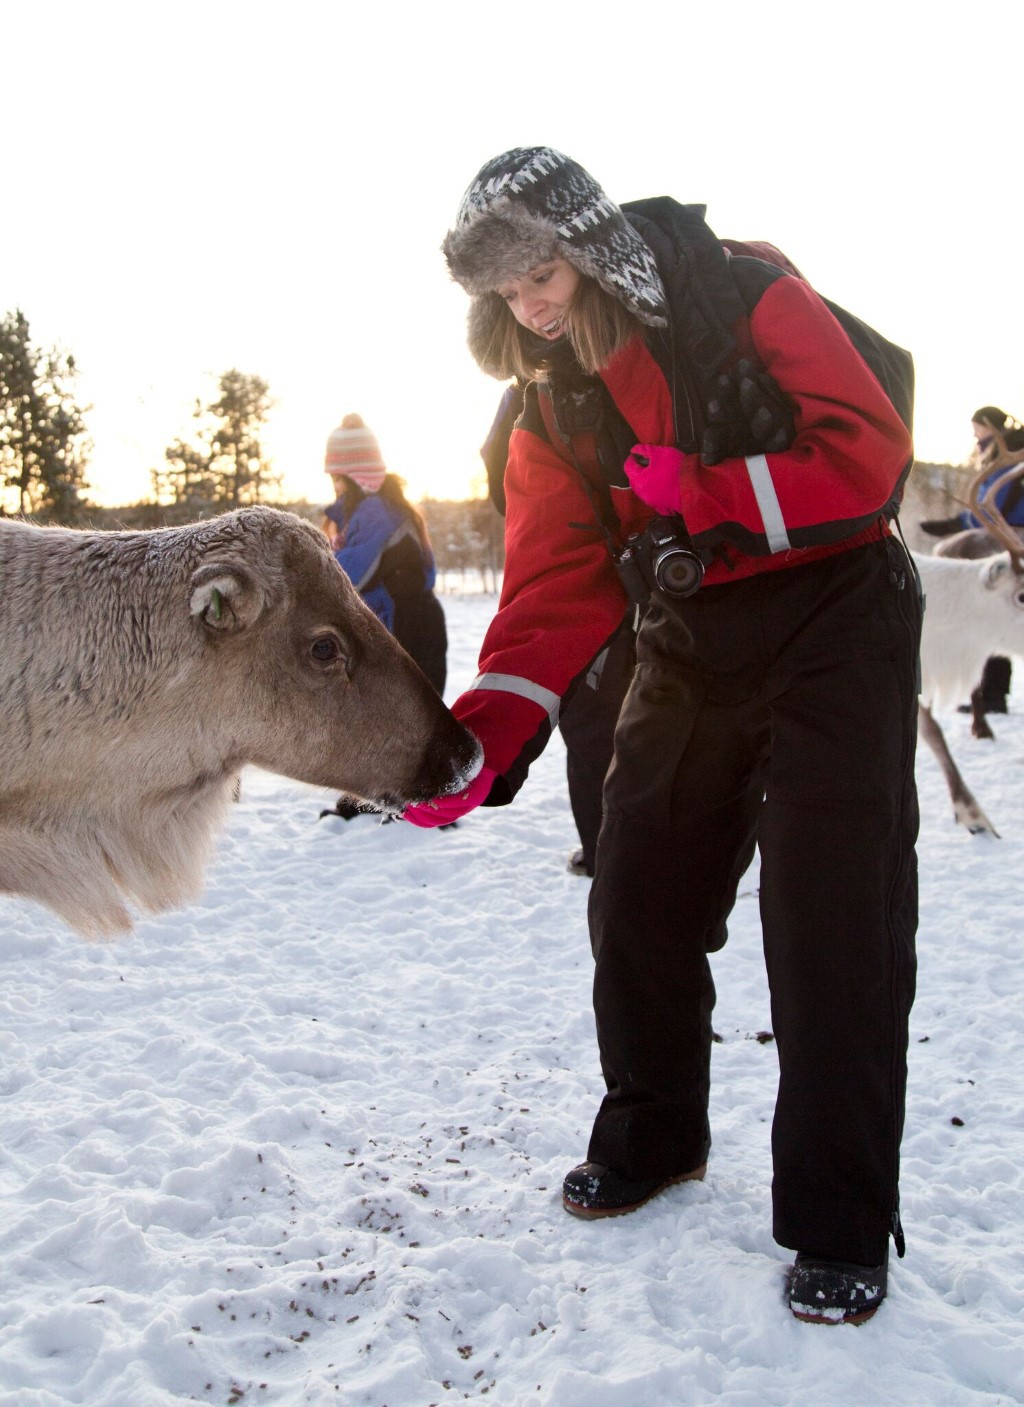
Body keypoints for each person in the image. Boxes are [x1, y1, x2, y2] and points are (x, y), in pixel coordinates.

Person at [405, 148, 921, 1324]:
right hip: (690, 636)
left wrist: (708, 493)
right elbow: (554, 579)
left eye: (538, 269)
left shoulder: (740, 293)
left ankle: (840, 1223)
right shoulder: (546, 399)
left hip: (838, 617)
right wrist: (483, 736)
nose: (530, 303)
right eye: (505, 291)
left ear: (582, 241)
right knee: (636, 886)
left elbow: (866, 449)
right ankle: (655, 1135)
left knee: (829, 918)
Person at [480, 383, 637, 878]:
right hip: (658, 581)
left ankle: (603, 851)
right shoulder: (644, 365)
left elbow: (497, 474)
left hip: (587, 578)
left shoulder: (529, 392)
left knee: (593, 725)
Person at [320, 413, 448, 819]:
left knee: (395, 718)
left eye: (337, 475)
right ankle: (391, 803)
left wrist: (327, 556)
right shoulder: (386, 508)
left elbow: (345, 576)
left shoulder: (374, 511)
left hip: (405, 625)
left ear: (354, 475)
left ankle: (411, 806)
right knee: (395, 718)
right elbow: (426, 572)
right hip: (415, 621)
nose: (334, 484)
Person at [921, 406, 1024, 715]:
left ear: (990, 426)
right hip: (1006, 538)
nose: (974, 434)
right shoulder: (1004, 454)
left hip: (1007, 541)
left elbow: (997, 507)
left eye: (977, 427)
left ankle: (992, 694)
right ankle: (991, 693)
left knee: (992, 609)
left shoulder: (1009, 456)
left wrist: (958, 524)